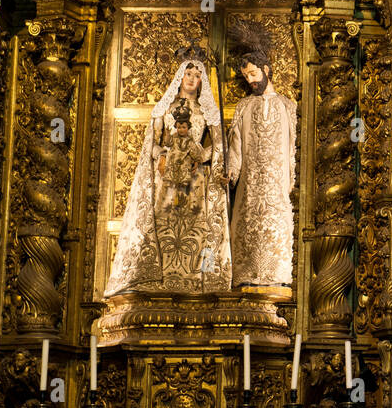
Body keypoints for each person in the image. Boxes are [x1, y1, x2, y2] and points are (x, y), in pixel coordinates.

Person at [106, 55, 232, 294]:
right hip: (167, 178)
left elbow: (218, 145)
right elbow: (150, 145)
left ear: (202, 80)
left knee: (194, 231)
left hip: (195, 182)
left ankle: (197, 281)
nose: (193, 79)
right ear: (180, 77)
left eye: (197, 76)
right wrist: (162, 155)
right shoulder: (165, 108)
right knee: (165, 227)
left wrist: (200, 157)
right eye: (189, 74)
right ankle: (161, 279)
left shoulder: (207, 112)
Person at [227, 49, 297, 288]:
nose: (251, 81)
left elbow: (293, 146)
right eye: (246, 76)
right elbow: (236, 145)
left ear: (266, 70)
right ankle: (248, 277)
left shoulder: (288, 106)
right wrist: (231, 172)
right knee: (246, 229)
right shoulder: (243, 106)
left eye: (254, 74)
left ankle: (278, 276)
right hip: (250, 186)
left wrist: (292, 180)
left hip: (278, 185)